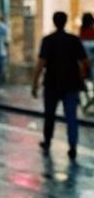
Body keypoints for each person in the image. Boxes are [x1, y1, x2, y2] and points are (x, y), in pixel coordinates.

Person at [32, 11, 89, 159]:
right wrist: (83, 75)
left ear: (53, 22)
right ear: (66, 21)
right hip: (71, 84)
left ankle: (47, 140)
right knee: (71, 116)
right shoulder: (74, 40)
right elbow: (85, 61)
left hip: (52, 84)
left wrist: (35, 83)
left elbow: (41, 63)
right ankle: (72, 145)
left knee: (49, 114)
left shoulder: (48, 40)